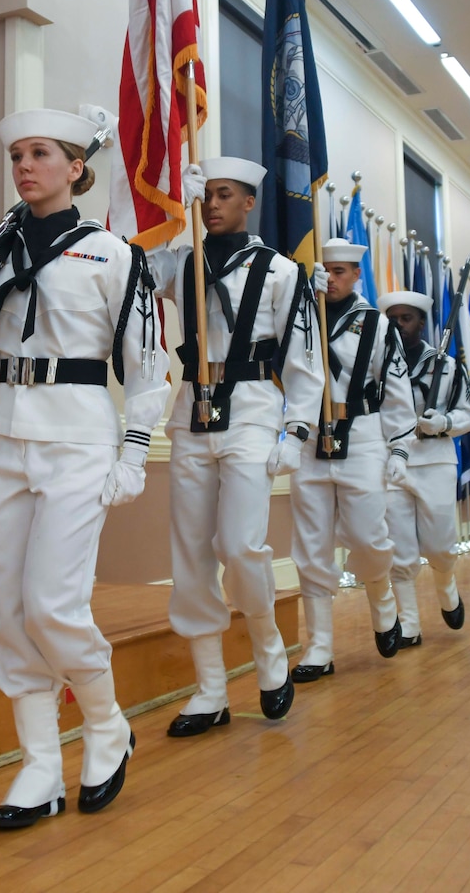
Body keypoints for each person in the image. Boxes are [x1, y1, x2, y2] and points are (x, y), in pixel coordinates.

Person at [0, 108, 170, 830]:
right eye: (18, 154)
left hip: (79, 439)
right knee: (12, 610)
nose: (25, 165)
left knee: (55, 605)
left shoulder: (113, 256)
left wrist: (136, 450)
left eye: (41, 153)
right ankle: (39, 765)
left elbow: (149, 366)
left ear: (77, 168)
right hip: (4, 439)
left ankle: (108, 725)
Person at [144, 157, 322, 737]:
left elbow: (303, 359)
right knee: (191, 552)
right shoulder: (182, 261)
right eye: (207, 195)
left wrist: (296, 431)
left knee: (242, 546)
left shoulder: (279, 272)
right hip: (192, 410)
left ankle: (269, 649)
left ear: (249, 203)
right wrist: (174, 216)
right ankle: (210, 689)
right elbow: (132, 268)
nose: (213, 204)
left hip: (249, 411)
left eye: (225, 195)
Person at [288, 238, 414, 680]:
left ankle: (382, 601)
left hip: (361, 435)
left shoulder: (378, 325)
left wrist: (399, 446)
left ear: (357, 274)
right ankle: (319, 646)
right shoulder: (302, 317)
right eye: (326, 270)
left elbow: (395, 388)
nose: (333, 278)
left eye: (341, 271)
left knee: (368, 536)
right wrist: (303, 295)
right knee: (311, 545)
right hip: (309, 439)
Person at [378, 289, 470, 645]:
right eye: (392, 319)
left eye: (406, 318)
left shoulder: (448, 366)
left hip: (435, 460)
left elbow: (469, 415)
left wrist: (445, 422)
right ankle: (408, 624)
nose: (398, 325)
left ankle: (446, 584)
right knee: (399, 549)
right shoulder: (377, 364)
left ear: (421, 322)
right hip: (392, 463)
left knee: (440, 544)